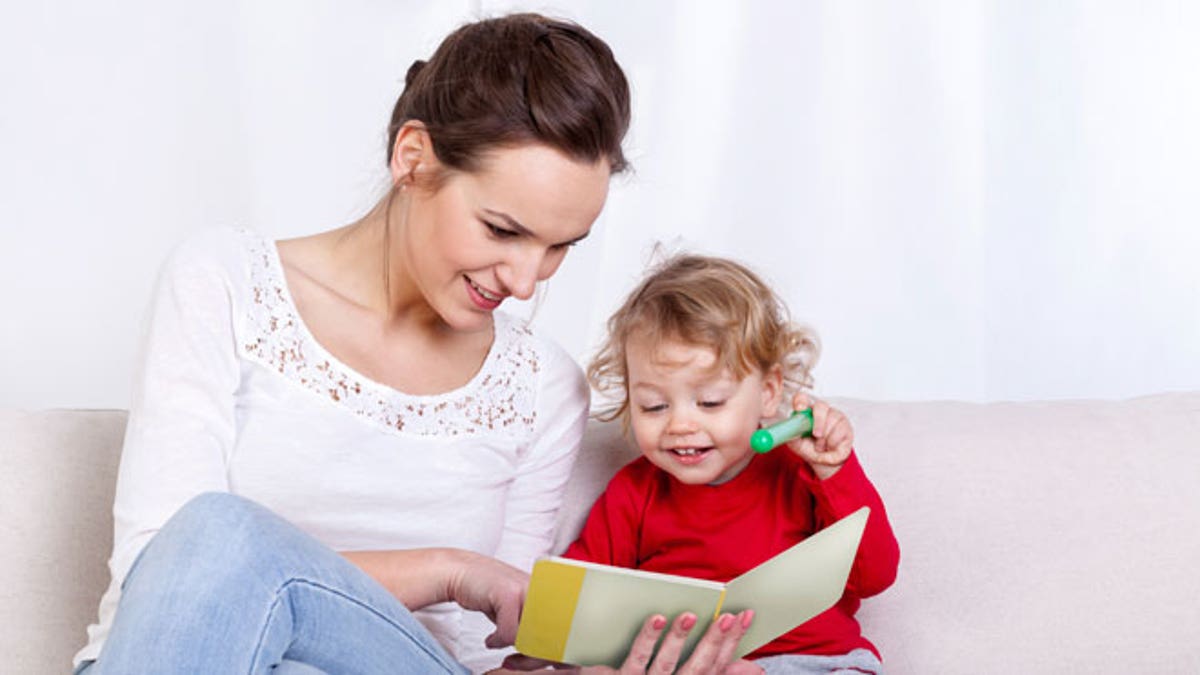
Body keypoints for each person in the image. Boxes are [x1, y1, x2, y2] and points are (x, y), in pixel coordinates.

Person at [73, 14, 757, 675]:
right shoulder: (223, 282)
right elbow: (166, 565)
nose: (525, 281)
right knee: (216, 536)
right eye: (503, 229)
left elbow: (495, 652)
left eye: (559, 248)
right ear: (413, 159)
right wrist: (450, 571)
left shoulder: (543, 384)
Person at [565, 254, 901, 675]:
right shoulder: (635, 491)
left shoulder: (801, 472)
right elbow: (578, 602)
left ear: (767, 391)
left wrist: (835, 472)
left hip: (817, 663)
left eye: (710, 402)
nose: (681, 425)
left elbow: (876, 576)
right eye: (653, 406)